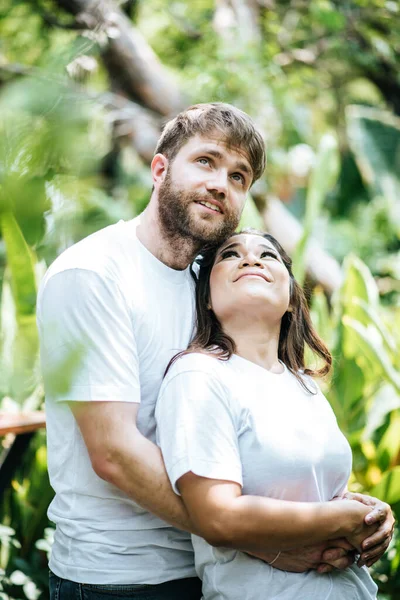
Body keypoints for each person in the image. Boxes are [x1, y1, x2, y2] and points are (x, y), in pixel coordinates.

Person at [37, 103, 392, 600]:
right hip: (123, 577)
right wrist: (261, 543)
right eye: (205, 161)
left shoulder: (208, 286)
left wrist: (361, 512)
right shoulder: (94, 273)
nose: (221, 183)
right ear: (160, 169)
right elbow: (114, 452)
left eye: (238, 176)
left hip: (210, 570)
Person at [156, 229, 394, 599]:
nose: (251, 259)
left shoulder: (304, 385)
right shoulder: (200, 376)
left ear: (290, 301)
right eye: (230, 255)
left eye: (268, 255)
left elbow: (320, 492)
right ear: (206, 299)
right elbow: (218, 517)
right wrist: (344, 520)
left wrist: (373, 516)